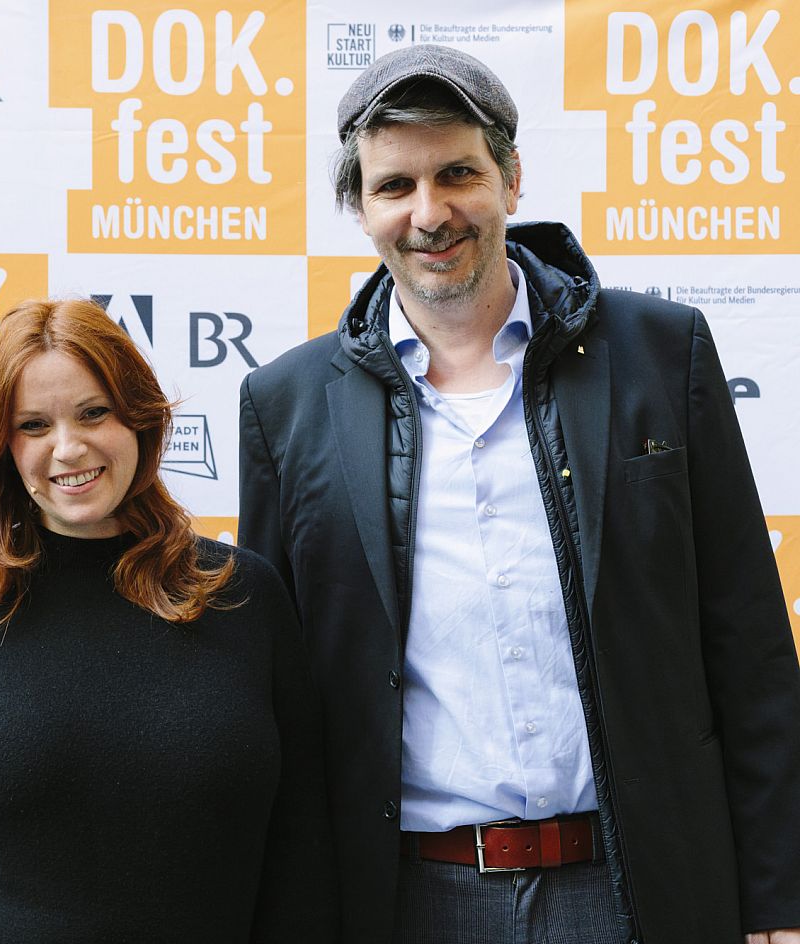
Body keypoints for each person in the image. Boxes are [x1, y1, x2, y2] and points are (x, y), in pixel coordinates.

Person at [238, 43, 800, 944]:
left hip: (635, 887)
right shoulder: (286, 407)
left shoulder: (662, 353)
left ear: (510, 178)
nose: (430, 213)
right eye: (395, 186)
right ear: (361, 208)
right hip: (409, 901)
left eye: (458, 173)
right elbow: (271, 697)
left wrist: (778, 896)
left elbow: (750, 644)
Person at [0, 298, 332, 943]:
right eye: (33, 425)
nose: (68, 449)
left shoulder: (244, 597)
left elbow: (302, 851)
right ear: (3, 445)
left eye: (94, 413)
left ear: (140, 418)